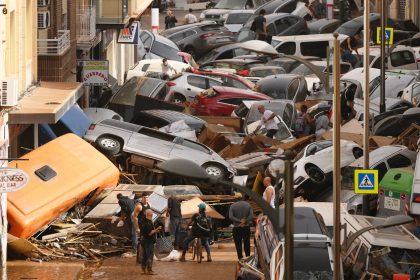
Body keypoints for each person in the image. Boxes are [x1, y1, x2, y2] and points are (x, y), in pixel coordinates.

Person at [140, 209, 162, 275]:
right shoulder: (148, 223)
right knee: (149, 255)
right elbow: (150, 233)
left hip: (144, 241)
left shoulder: (144, 221)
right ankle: (149, 270)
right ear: (150, 214)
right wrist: (157, 229)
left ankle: (143, 270)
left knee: (145, 256)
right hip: (148, 241)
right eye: (152, 213)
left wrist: (155, 231)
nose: (152, 215)